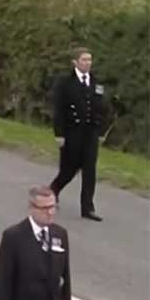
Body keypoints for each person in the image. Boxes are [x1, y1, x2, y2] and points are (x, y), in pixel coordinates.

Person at [48, 48, 105, 221]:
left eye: (89, 59)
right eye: (84, 60)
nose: (87, 63)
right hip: (72, 132)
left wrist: (101, 131)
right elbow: (59, 110)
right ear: (75, 62)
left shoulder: (96, 82)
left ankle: (87, 207)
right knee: (69, 169)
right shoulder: (65, 82)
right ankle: (54, 189)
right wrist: (59, 134)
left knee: (90, 170)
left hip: (90, 133)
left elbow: (101, 108)